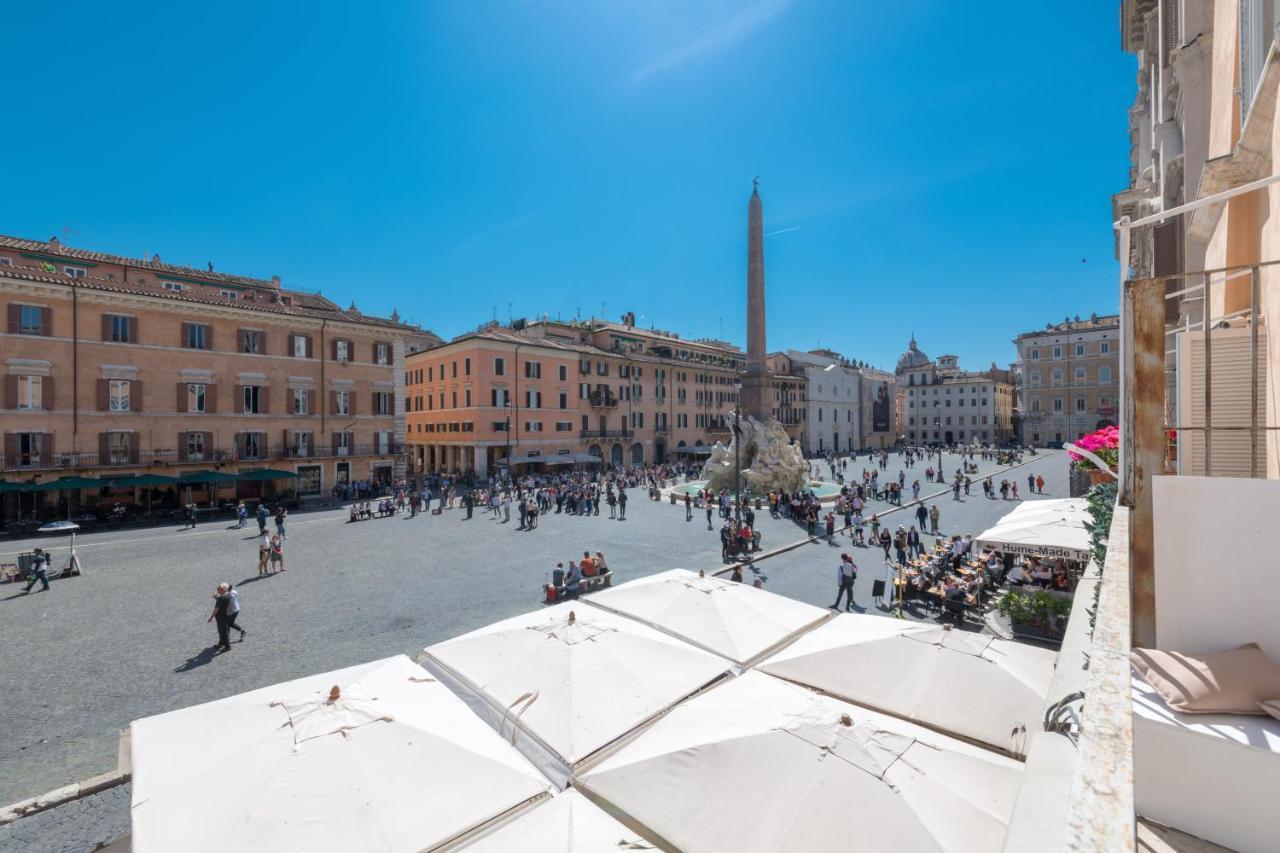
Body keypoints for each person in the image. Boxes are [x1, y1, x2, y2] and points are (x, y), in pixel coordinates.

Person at [208, 583, 233, 652]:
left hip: (221, 616)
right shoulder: (227, 595)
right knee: (222, 631)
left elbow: (216, 609)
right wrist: (216, 597)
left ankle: (227, 646)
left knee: (222, 631)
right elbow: (222, 602)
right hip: (225, 615)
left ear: (222, 589)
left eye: (219, 587)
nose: (217, 588)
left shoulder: (221, 598)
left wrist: (211, 618)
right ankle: (221, 643)